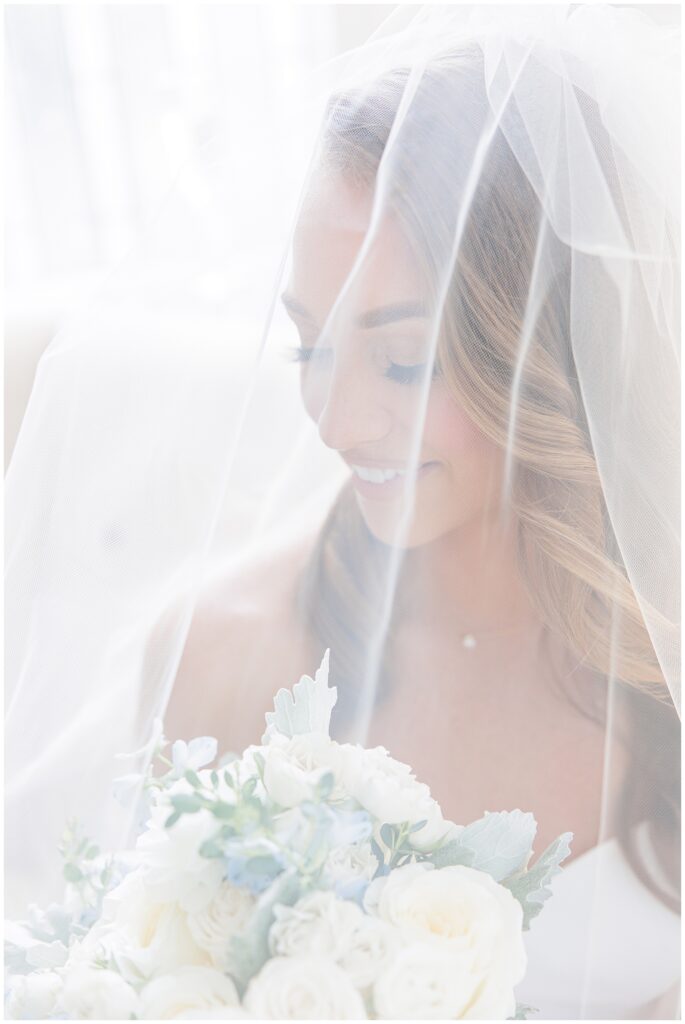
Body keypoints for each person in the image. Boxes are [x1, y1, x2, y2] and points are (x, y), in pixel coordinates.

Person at [6, 5, 680, 1019]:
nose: (332, 419)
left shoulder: (660, 639)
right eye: (308, 346)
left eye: (402, 360)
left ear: (544, 348)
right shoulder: (220, 651)